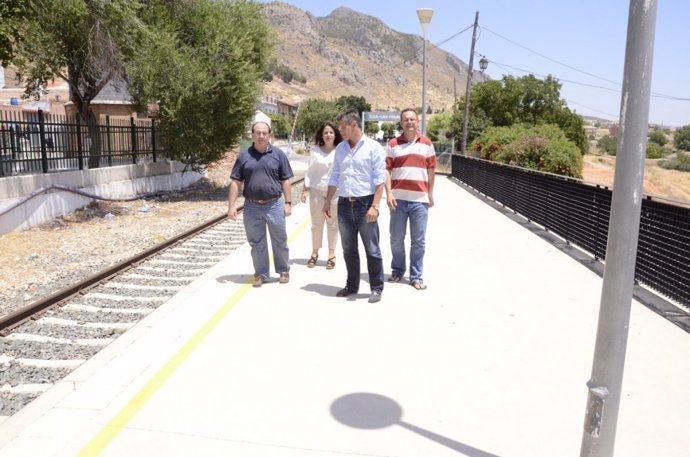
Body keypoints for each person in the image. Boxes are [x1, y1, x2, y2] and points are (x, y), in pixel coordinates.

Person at [323, 109, 386, 303]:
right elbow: (335, 176)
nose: (340, 130)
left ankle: (376, 287)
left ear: (354, 125)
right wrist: (327, 200)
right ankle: (352, 285)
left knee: (372, 249)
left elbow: (379, 180)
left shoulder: (374, 148)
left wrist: (374, 206)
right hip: (344, 205)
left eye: (343, 127)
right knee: (349, 249)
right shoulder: (341, 148)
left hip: (365, 204)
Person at [228, 120, 294, 288]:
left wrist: (288, 203)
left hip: (275, 204)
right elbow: (236, 182)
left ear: (269, 135)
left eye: (265, 133)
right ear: (252, 135)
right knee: (256, 242)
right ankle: (261, 274)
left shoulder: (278, 155)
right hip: (251, 206)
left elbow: (286, 181)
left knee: (279, 240)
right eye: (258, 132)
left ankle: (283, 270)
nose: (261, 136)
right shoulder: (244, 157)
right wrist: (231, 205)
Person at [385, 108, 436, 290]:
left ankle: (416, 276)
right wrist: (389, 193)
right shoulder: (392, 144)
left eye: (412, 119)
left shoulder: (427, 144)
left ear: (418, 121)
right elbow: (386, 171)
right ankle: (398, 271)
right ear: (401, 122)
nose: (409, 122)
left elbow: (431, 171)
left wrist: (430, 194)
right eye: (406, 119)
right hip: (398, 200)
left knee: (418, 240)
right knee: (396, 238)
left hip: (419, 200)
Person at [301, 121, 343, 270]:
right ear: (322, 135)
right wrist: (305, 189)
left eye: (331, 132)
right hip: (316, 191)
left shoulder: (340, 150)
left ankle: (331, 254)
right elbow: (310, 171)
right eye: (325, 132)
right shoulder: (316, 151)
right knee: (316, 224)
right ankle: (314, 253)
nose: (328, 135)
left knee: (333, 224)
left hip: (334, 192)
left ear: (335, 134)